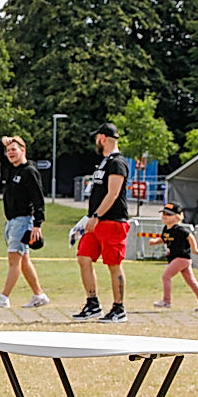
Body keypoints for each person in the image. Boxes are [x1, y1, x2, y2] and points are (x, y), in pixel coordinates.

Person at [72, 122, 131, 323]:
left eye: (97, 138)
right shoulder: (104, 162)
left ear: (103, 138)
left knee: (113, 264)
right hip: (95, 221)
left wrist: (97, 215)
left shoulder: (118, 162)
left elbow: (114, 193)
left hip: (112, 220)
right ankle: (92, 303)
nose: (96, 142)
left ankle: (119, 307)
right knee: (84, 257)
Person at [0, 135, 50, 308]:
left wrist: (38, 224)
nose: (10, 153)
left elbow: (38, 199)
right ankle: (39, 295)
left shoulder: (29, 171)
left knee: (14, 258)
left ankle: (4, 297)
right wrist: (2, 142)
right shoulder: (11, 167)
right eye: (8, 151)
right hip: (12, 221)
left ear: (23, 150)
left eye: (14, 149)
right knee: (23, 260)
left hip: (24, 220)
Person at [149, 201, 198, 311]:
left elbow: (190, 237)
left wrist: (195, 249)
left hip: (181, 257)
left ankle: (166, 301)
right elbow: (164, 239)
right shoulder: (166, 229)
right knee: (190, 280)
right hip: (178, 259)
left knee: (166, 276)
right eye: (163, 214)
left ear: (177, 217)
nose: (164, 216)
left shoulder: (179, 229)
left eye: (168, 214)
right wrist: (155, 241)